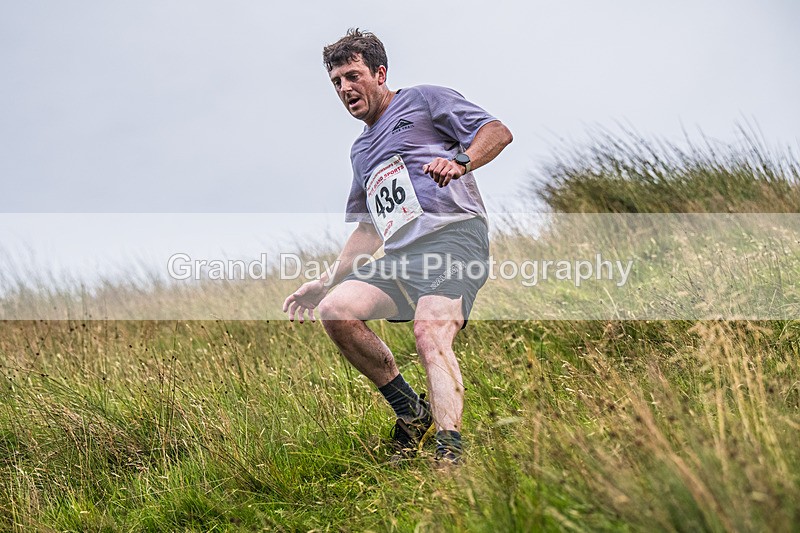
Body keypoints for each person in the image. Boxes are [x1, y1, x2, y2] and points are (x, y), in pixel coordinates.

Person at [283, 28, 512, 465]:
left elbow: (497, 131)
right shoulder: (361, 150)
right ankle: (412, 411)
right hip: (401, 256)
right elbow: (369, 230)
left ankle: (449, 453)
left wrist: (461, 161)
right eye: (336, 82)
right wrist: (328, 279)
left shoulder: (423, 100)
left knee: (429, 331)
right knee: (336, 310)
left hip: (454, 239)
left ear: (380, 72)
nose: (345, 89)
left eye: (352, 75)